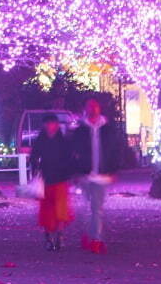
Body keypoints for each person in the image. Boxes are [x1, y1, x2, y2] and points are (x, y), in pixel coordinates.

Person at [71, 98, 123, 253]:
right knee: (87, 208)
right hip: (86, 174)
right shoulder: (80, 130)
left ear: (99, 109)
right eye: (90, 107)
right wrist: (76, 171)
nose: (92, 109)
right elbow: (74, 151)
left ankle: (96, 239)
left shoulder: (108, 129)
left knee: (97, 208)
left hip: (101, 174)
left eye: (95, 106)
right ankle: (90, 235)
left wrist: (113, 170)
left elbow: (115, 151)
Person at [28, 113, 76, 250]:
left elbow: (69, 159)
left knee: (61, 209)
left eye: (52, 123)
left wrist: (69, 173)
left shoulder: (63, 141)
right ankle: (49, 236)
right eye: (48, 124)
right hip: (46, 178)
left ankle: (59, 234)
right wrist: (36, 171)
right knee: (47, 210)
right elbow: (34, 157)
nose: (50, 126)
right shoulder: (40, 141)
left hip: (60, 178)